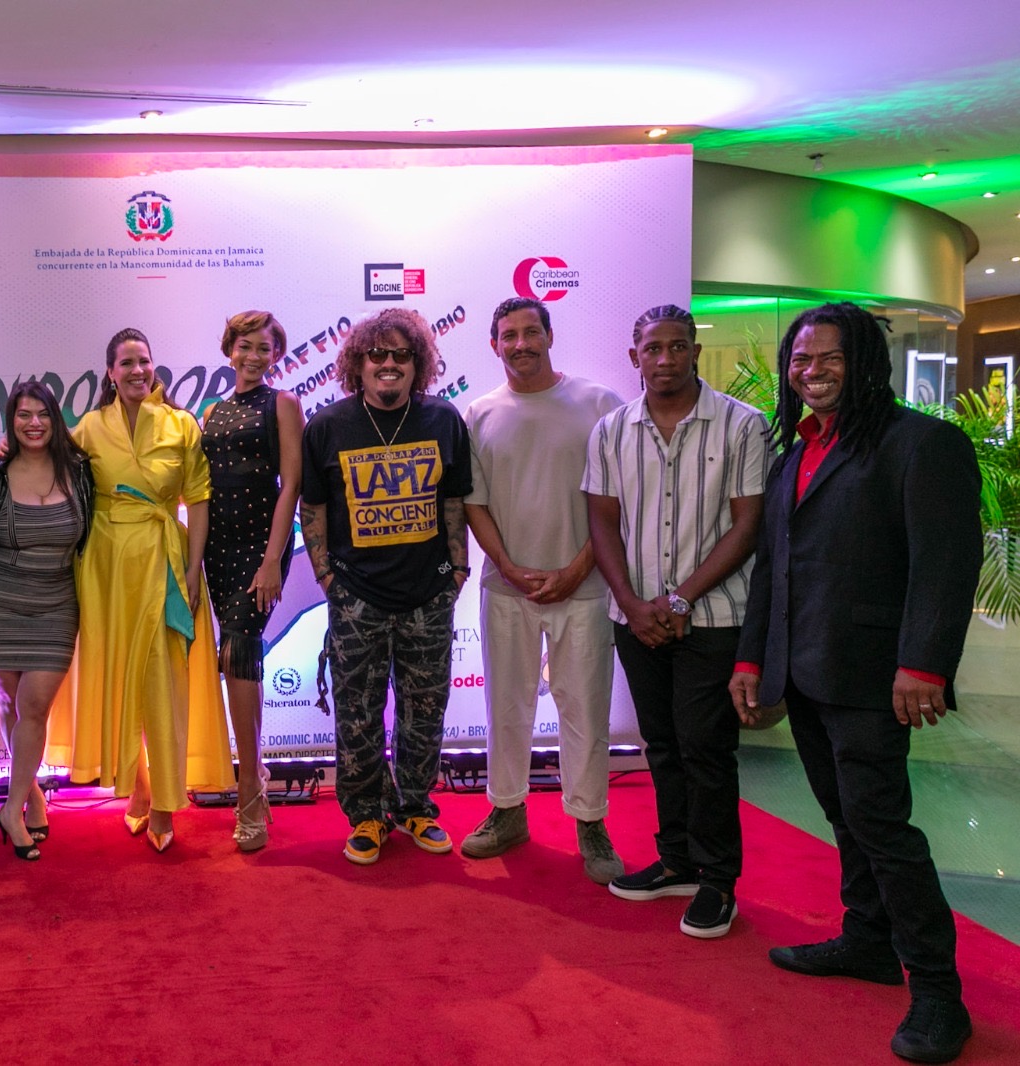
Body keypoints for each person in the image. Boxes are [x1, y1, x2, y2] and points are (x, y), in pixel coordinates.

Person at [730, 302, 982, 1064]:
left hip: (874, 675)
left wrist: (924, 663)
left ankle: (938, 991)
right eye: (801, 360)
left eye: (830, 358)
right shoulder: (793, 455)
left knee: (882, 828)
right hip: (804, 672)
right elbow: (773, 569)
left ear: (866, 361)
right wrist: (751, 659)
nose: (812, 372)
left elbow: (945, 563)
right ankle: (869, 940)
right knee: (845, 817)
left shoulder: (921, 443)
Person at [584, 304, 769, 939]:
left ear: (695, 351)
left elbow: (748, 525)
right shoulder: (610, 431)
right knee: (661, 744)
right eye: (652, 348)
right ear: (634, 356)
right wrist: (634, 605)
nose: (665, 359)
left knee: (705, 748)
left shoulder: (743, 425)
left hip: (713, 618)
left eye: (677, 346)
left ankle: (718, 880)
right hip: (635, 619)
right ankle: (677, 861)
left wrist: (680, 599)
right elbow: (602, 523)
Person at [47, 327, 234, 852]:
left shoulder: (181, 424)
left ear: (154, 367)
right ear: (110, 372)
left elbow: (199, 499)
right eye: (126, 362)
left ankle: (166, 803)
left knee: (163, 682)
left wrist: (193, 572)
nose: (136, 370)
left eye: (144, 360)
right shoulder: (89, 428)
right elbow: (46, 464)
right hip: (105, 571)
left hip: (165, 564)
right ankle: (141, 788)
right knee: (119, 679)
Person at [459, 297, 625, 884]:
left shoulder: (599, 404)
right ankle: (507, 812)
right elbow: (473, 504)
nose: (521, 344)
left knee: (585, 710)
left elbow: (617, 502)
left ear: (550, 335)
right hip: (508, 588)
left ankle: (590, 821)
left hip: (585, 586)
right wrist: (505, 565)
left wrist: (579, 568)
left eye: (531, 332)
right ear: (494, 345)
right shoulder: (479, 413)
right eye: (509, 335)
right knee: (507, 708)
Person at [300, 306, 472, 865]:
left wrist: (458, 570)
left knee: (426, 711)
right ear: (358, 362)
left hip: (429, 594)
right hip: (357, 598)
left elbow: (454, 501)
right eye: (377, 354)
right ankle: (367, 816)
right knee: (357, 714)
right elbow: (312, 508)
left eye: (402, 354)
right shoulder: (328, 426)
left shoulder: (443, 419)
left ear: (419, 362)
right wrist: (328, 577)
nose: (389, 363)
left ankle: (416, 807)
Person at [0, 381, 94, 860]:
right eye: (23, 415)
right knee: (10, 703)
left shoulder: (80, 470)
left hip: (57, 601)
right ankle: (32, 795)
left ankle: (10, 808)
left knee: (35, 707)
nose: (34, 423)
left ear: (55, 419)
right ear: (11, 421)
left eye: (42, 414)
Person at [200, 310, 304, 852]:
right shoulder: (211, 412)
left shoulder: (283, 403)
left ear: (275, 354)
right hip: (215, 550)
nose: (254, 356)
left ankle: (249, 788)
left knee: (239, 649)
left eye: (265, 348)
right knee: (235, 661)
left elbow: (292, 485)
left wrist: (272, 560)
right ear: (229, 349)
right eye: (245, 345)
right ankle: (254, 772)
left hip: (258, 551)